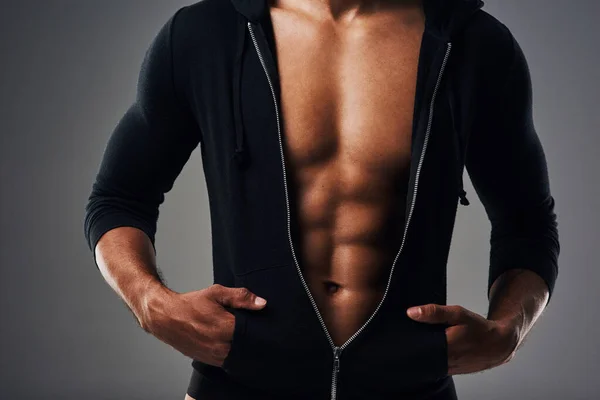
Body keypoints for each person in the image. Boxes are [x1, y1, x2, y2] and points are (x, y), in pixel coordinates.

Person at [83, 0, 560, 399]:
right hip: (239, 383)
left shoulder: (475, 44)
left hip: (410, 386)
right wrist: (150, 302)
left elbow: (528, 224)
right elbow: (119, 197)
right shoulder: (205, 35)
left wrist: (509, 330)